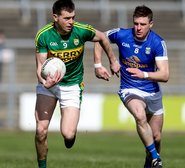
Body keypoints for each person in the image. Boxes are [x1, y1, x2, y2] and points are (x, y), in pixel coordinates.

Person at [34, 0, 120, 168]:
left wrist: (106, 62)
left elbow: (101, 36)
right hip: (49, 86)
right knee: (40, 131)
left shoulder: (81, 30)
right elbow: (40, 67)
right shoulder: (43, 35)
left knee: (67, 134)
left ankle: (70, 137)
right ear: (55, 17)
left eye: (73, 17)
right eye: (66, 18)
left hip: (72, 86)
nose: (71, 22)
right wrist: (46, 82)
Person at [94, 5, 169, 168]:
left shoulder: (157, 43)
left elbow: (165, 75)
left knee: (156, 138)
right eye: (136, 23)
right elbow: (99, 38)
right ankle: (156, 158)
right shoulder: (122, 34)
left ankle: (151, 160)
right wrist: (99, 64)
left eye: (142, 24)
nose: (138, 28)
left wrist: (145, 75)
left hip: (152, 92)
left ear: (151, 24)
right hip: (129, 89)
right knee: (140, 116)